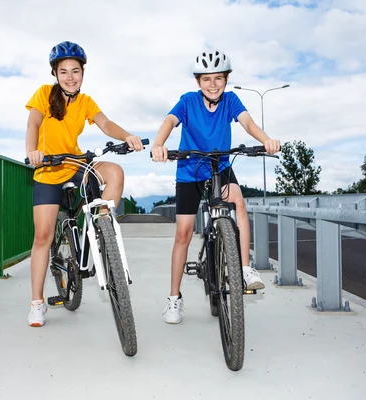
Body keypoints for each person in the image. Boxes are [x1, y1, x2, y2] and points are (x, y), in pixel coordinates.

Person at [151, 50, 281, 324]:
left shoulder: (231, 100)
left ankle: (245, 269)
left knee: (238, 202)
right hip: (189, 170)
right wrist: (159, 144)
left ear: (226, 79)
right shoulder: (188, 101)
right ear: (198, 81)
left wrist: (266, 139)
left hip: (219, 166)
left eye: (218, 78)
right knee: (183, 233)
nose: (213, 84)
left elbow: (247, 123)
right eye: (207, 79)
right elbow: (169, 122)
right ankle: (174, 299)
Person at [25, 40, 144, 327]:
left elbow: (105, 123)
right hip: (49, 169)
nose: (70, 77)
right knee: (43, 237)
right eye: (64, 71)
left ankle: (104, 227)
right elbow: (33, 124)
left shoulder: (86, 101)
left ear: (82, 73)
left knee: (114, 171)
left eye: (75, 71)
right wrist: (33, 151)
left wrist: (127, 135)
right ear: (55, 73)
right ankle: (37, 302)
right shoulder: (43, 94)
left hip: (76, 163)